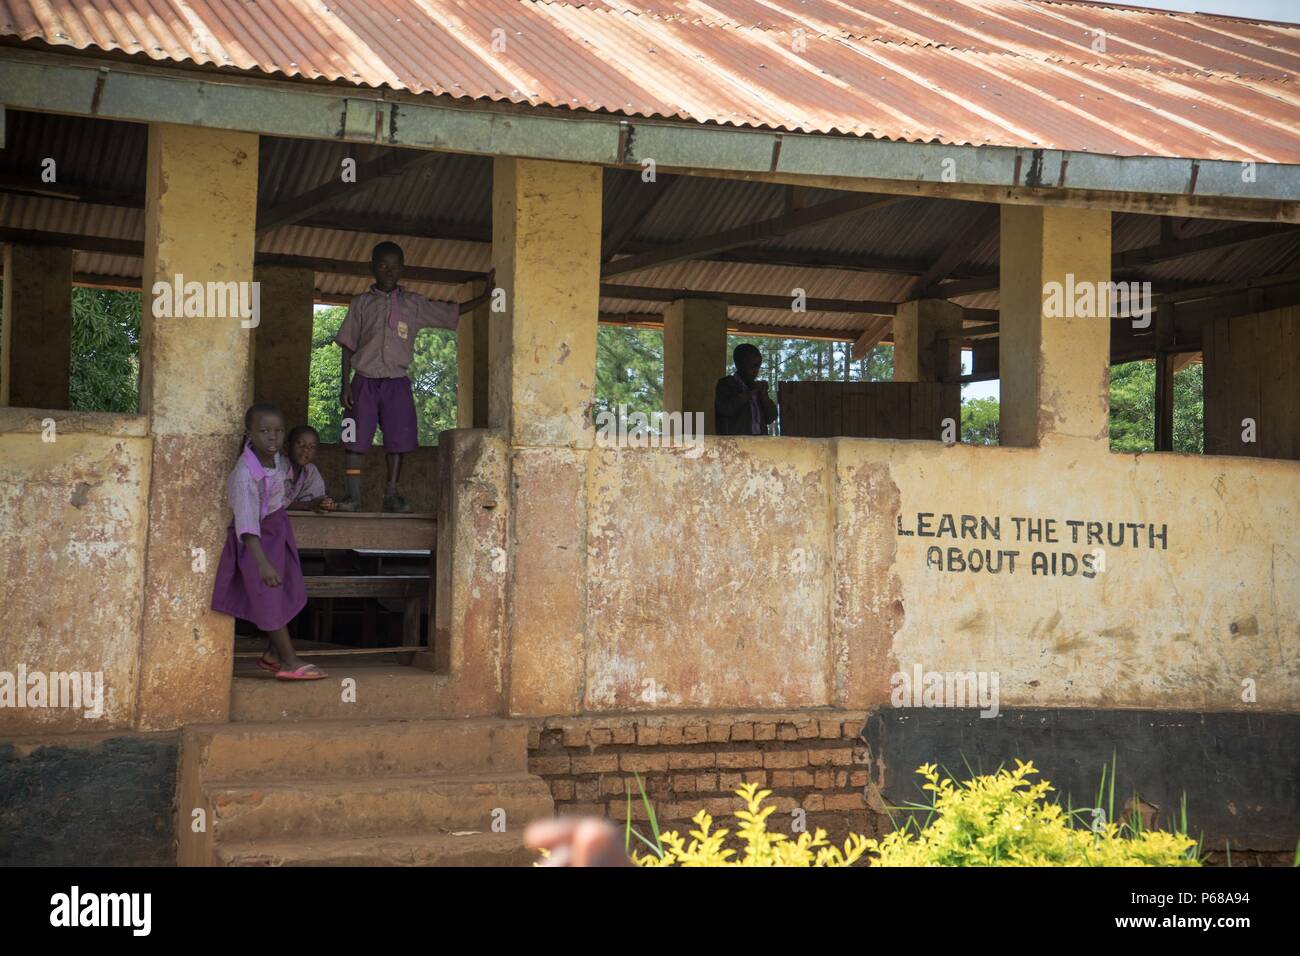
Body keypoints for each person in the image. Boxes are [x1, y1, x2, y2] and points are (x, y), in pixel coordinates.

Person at [334, 241, 462, 513]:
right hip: (363, 380)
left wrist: (488, 297)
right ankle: (352, 496)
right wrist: (344, 383)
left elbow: (451, 313)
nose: (389, 270)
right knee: (353, 439)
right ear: (372, 267)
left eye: (395, 265)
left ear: (403, 269)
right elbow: (347, 345)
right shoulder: (361, 304)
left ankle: (392, 494)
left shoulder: (413, 304)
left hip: (397, 382)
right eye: (383, 264)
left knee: (398, 440)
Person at [211, 403, 326, 681]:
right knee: (269, 596)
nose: (272, 437)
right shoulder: (244, 474)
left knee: (288, 592)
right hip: (257, 542)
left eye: (277, 431)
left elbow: (283, 492)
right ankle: (289, 661)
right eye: (264, 431)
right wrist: (262, 563)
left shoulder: (275, 459)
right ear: (249, 433)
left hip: (278, 531)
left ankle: (272, 655)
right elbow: (247, 524)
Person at [714, 343, 777, 435]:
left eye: (758, 366)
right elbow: (725, 409)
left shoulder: (758, 389)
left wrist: (764, 397)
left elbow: (771, 417)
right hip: (735, 444)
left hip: (760, 443)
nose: (756, 371)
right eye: (752, 366)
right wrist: (750, 392)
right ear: (739, 365)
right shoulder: (726, 383)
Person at [284, 424, 336, 512]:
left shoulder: (310, 471)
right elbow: (273, 503)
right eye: (299, 443)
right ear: (287, 445)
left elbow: (316, 499)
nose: (305, 449)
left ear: (316, 452)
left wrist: (324, 503)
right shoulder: (277, 467)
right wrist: (309, 504)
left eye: (311, 447)